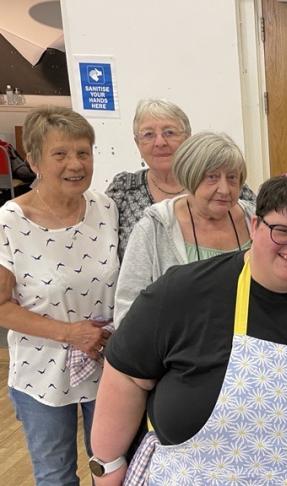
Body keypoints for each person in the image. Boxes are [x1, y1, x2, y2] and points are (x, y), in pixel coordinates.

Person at [89, 176, 287, 485]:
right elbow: (127, 376)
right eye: (281, 230)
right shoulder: (181, 293)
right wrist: (107, 464)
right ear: (254, 226)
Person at [0, 106, 119, 484]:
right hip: (42, 372)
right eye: (60, 154)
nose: (76, 164)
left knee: (112, 469)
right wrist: (70, 333)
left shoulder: (106, 207)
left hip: (107, 363)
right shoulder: (10, 221)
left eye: (84, 152)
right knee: (56, 476)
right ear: (33, 160)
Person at [113, 132, 254, 326]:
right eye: (212, 177)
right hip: (180, 351)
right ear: (190, 177)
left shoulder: (255, 221)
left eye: (232, 178)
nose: (224, 189)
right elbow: (128, 311)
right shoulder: (155, 228)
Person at [105, 99, 255, 258]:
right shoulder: (124, 190)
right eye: (148, 135)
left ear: (188, 138)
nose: (160, 142)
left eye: (169, 132)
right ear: (137, 143)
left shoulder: (232, 189)